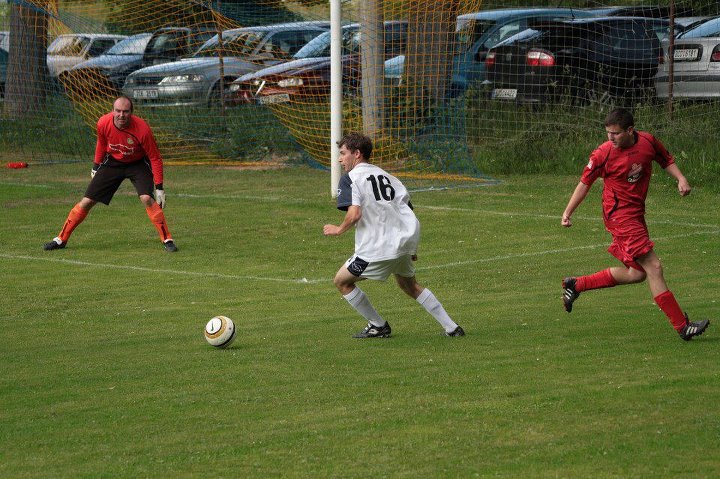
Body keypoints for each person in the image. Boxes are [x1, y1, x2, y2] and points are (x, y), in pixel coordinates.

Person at [560, 108, 708, 341]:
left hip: (636, 215)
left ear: (630, 130)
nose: (610, 138)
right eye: (608, 133)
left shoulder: (647, 141)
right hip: (619, 217)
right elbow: (584, 183)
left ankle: (576, 284)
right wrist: (568, 212)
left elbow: (665, 159)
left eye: (615, 134)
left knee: (637, 274)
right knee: (654, 267)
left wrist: (681, 178)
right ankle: (682, 326)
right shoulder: (603, 154)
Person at [323, 132, 464, 338]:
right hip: (401, 245)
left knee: (342, 282)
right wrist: (411, 247)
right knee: (410, 285)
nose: (340, 158)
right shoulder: (389, 177)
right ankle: (452, 328)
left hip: (375, 249)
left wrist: (338, 229)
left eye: (343, 153)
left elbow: (355, 214)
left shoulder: (351, 179)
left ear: (357, 153)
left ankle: (378, 325)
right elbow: (406, 211)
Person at [43, 96, 178, 252]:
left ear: (131, 113)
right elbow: (101, 143)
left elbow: (155, 157)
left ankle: (167, 239)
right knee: (87, 201)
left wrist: (159, 187)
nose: (121, 115)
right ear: (112, 111)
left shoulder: (143, 129)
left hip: (138, 164)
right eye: (118, 111)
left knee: (147, 198)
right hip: (113, 162)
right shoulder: (103, 123)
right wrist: (95, 166)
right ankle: (61, 239)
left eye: (126, 112)